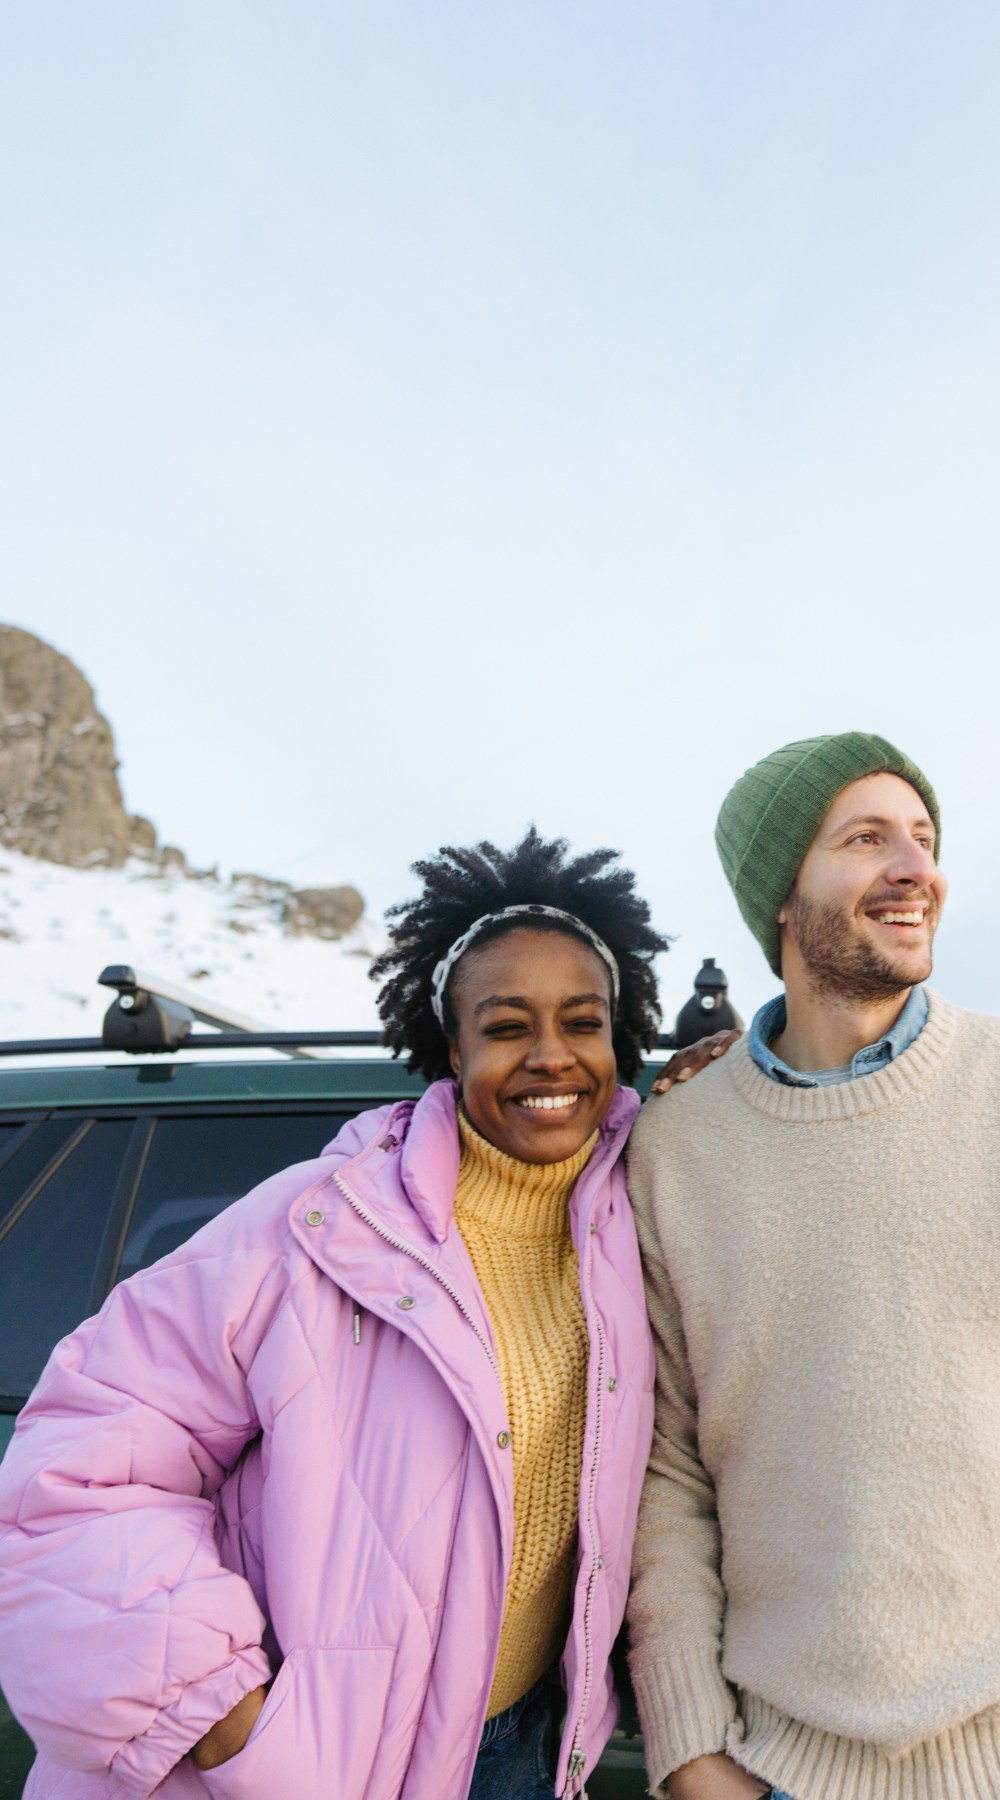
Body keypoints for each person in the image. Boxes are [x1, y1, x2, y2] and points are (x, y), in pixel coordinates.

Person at [0, 826, 703, 1800]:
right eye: (506, 1027)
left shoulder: (645, 1219)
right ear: (449, 1045)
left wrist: (730, 1092)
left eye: (581, 1022)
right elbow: (80, 1462)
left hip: (527, 1746)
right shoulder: (318, 1222)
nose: (551, 1056)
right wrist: (215, 1707)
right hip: (314, 1757)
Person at [625, 730, 1000, 1800]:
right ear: (779, 898)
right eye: (866, 838)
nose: (914, 868)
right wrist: (689, 1747)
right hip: (779, 1763)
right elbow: (665, 1473)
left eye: (922, 839)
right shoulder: (676, 1147)